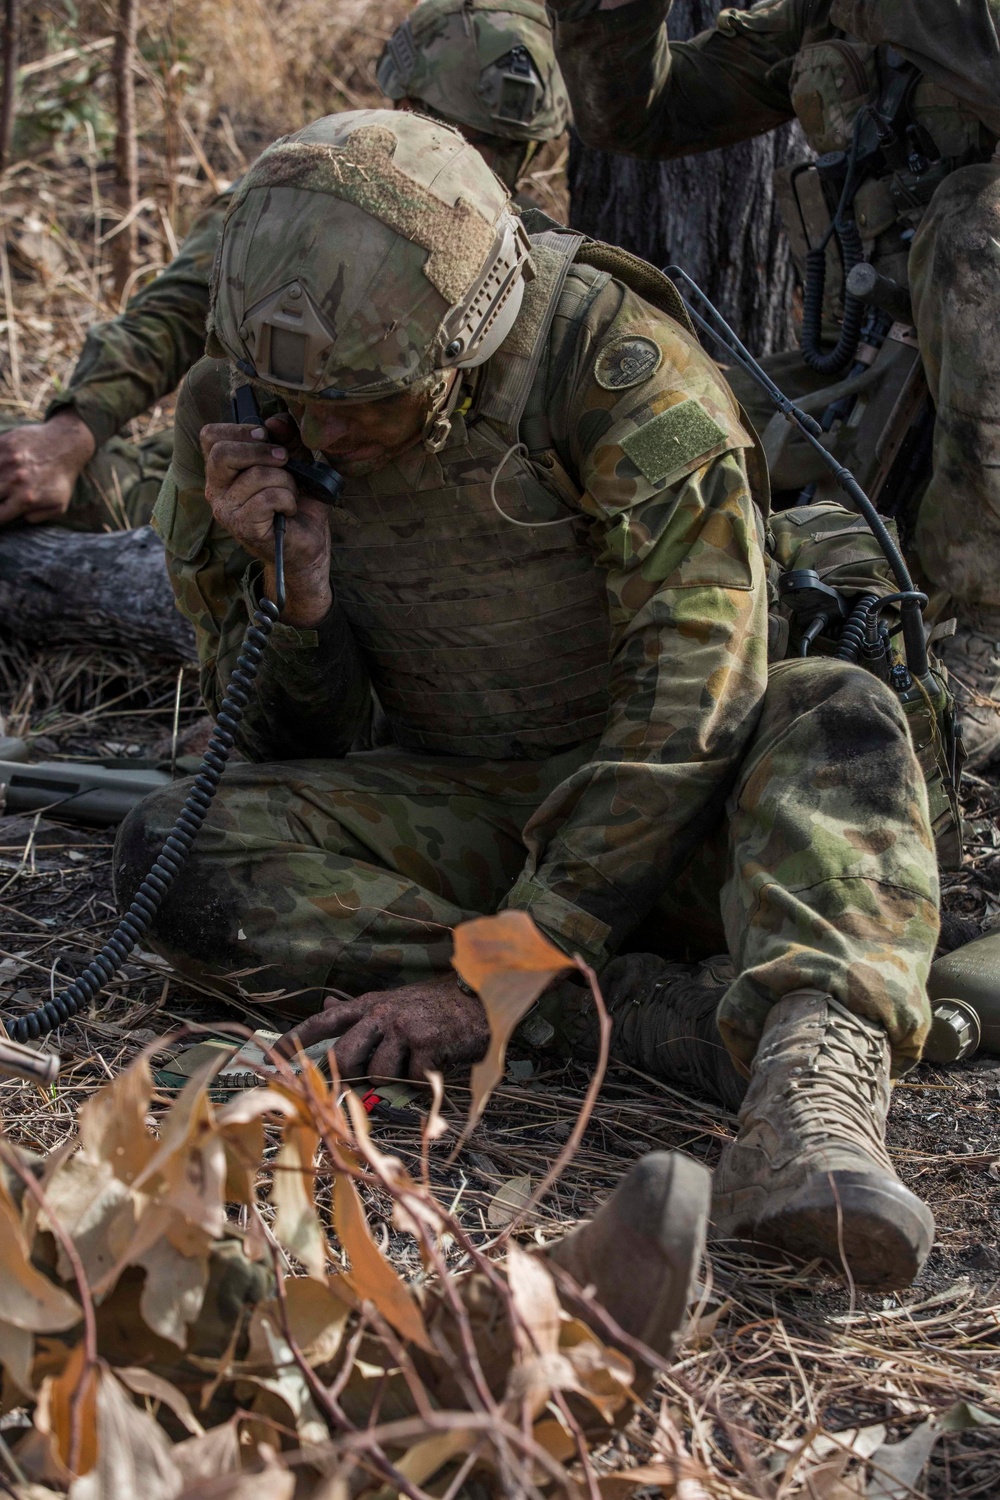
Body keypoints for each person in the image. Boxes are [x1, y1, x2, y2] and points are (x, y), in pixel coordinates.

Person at [115, 109, 940, 1291]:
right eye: (302, 402)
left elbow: (692, 709)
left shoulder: (615, 376)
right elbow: (289, 744)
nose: (327, 433)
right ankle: (655, 1018)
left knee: (834, 711)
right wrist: (292, 602)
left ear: (464, 342)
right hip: (473, 804)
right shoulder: (245, 414)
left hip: (691, 807)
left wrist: (505, 962)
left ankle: (811, 1098)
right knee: (180, 853)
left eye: (366, 401)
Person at [548, 0, 1000, 767]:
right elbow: (644, 113)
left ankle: (988, 646)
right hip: (885, 379)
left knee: (976, 228)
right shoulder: (821, 19)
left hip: (970, 389)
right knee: (663, 433)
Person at [0, 0, 569, 533]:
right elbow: (174, 312)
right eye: (452, 128)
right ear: (404, 107)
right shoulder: (313, 198)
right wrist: (71, 431)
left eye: (504, 147)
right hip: (287, 476)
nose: (475, 158)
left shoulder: (541, 256)